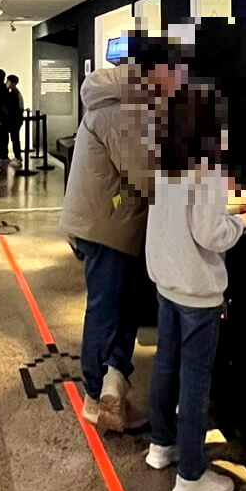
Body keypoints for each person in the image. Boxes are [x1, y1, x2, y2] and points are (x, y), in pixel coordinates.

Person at [144, 84, 246, 491]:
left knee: (166, 364)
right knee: (196, 381)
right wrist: (243, 222)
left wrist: (227, 212)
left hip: (166, 280)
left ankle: (162, 445)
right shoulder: (207, 167)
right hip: (197, 291)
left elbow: (182, 217)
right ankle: (191, 477)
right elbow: (210, 234)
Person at [60, 33, 185, 433]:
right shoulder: (121, 109)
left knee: (122, 306)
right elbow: (147, 175)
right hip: (108, 226)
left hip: (111, 221)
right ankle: (96, 396)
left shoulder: (124, 99)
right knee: (108, 308)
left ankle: (112, 385)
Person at [4, 73, 26, 163]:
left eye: (8, 81)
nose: (6, 83)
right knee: (15, 139)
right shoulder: (15, 92)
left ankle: (17, 157)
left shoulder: (14, 93)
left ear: (13, 83)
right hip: (16, 120)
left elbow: (12, 108)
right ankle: (18, 156)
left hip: (14, 120)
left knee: (15, 139)